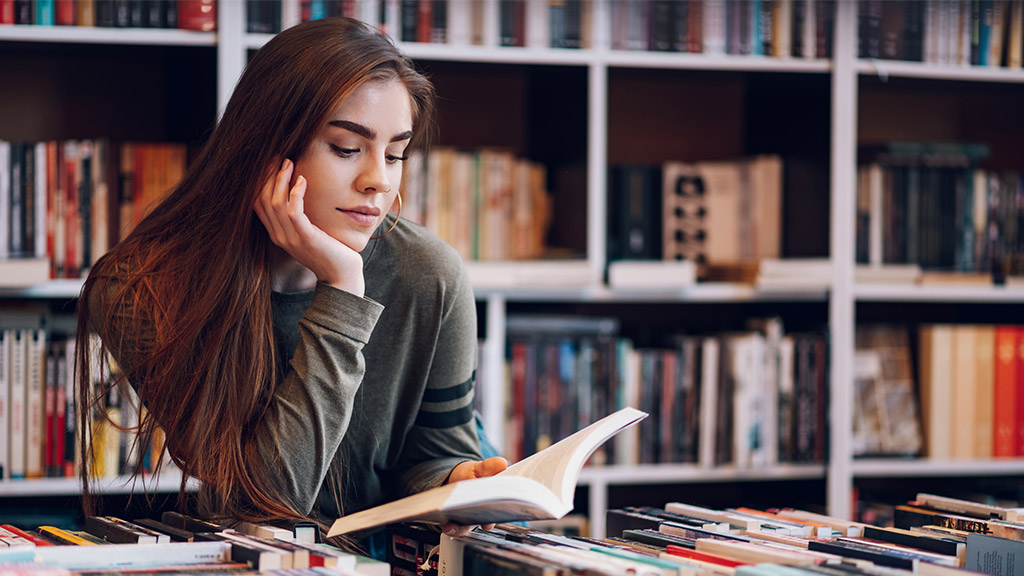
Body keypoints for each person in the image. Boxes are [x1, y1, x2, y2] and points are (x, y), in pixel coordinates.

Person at [75, 16, 507, 543]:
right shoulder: (140, 290)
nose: (379, 181)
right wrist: (343, 290)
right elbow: (272, 498)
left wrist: (457, 479)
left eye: (395, 154)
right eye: (348, 148)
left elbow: (434, 453)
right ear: (266, 147)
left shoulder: (429, 275)